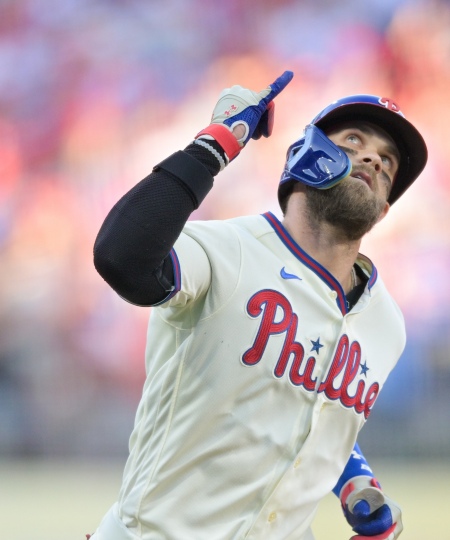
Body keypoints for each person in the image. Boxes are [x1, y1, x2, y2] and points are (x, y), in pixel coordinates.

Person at [90, 71, 427, 540]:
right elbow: (121, 257)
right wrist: (211, 149)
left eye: (389, 162)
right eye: (353, 140)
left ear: (385, 208)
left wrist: (352, 479)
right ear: (307, 157)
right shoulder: (225, 250)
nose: (374, 157)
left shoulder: (387, 324)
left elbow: (317, 408)